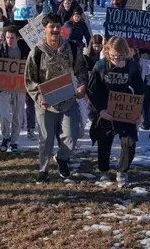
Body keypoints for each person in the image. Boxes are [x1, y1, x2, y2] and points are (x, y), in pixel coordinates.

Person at [25, 13, 88, 181]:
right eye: (51, 27)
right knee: (45, 139)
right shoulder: (37, 53)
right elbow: (30, 80)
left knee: (71, 135)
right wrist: (39, 98)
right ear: (44, 29)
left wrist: (82, 85)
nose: (55, 30)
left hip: (68, 100)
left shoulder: (72, 48)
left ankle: (62, 158)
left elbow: (82, 71)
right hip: (46, 103)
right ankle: (43, 169)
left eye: (57, 26)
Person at [87, 37, 144, 187]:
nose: (116, 59)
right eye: (112, 56)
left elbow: (139, 89)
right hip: (106, 109)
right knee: (104, 141)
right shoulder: (100, 66)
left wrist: (139, 112)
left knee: (130, 141)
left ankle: (122, 171)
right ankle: (104, 170)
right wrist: (101, 110)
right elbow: (92, 90)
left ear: (125, 53)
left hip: (126, 108)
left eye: (119, 56)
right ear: (107, 52)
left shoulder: (131, 65)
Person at [0, 26, 31, 153]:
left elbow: (31, 63)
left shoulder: (24, 49)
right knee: (5, 115)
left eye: (12, 38)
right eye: (7, 37)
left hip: (19, 87)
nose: (9, 40)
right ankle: (5, 137)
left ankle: (14, 141)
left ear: (17, 38)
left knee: (17, 115)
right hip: (4, 87)